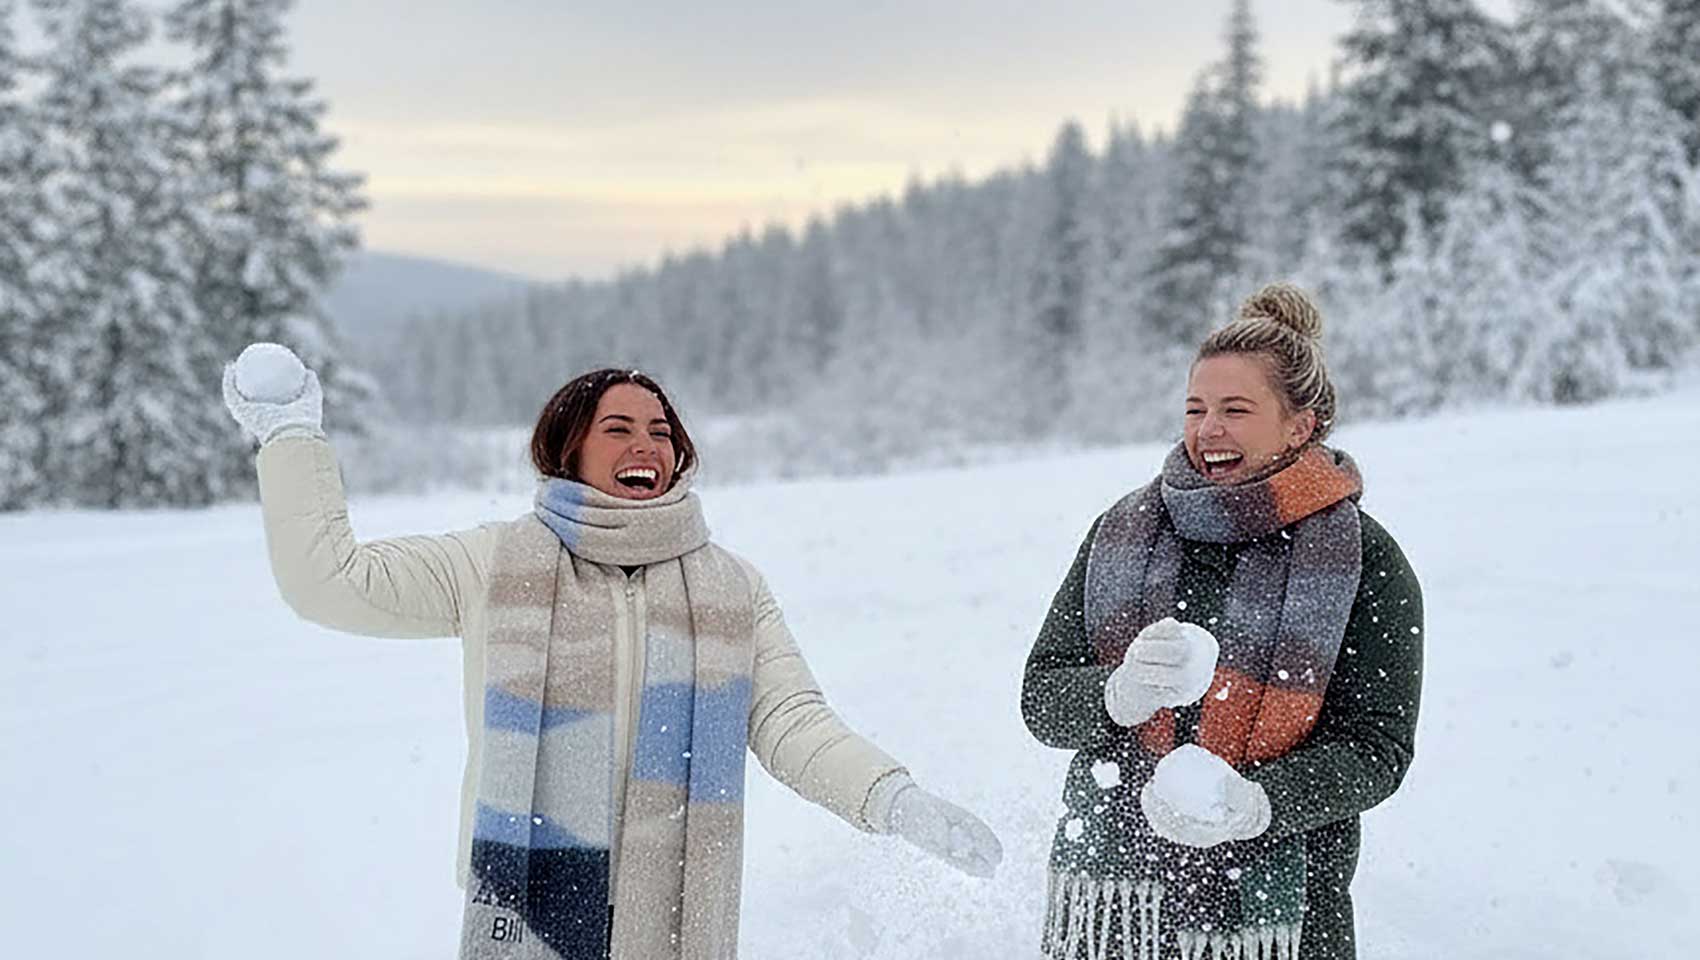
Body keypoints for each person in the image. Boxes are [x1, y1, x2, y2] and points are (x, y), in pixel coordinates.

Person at [222, 353, 1001, 960]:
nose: (645, 445)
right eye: (618, 428)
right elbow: (333, 584)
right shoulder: (496, 565)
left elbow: (791, 720)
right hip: (532, 908)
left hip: (674, 911)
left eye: (661, 432)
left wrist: (892, 797)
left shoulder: (729, 588)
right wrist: (291, 437)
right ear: (569, 448)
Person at [1021, 283, 1424, 960]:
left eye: (1236, 410)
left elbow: (1378, 750)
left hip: (1285, 917)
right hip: (1117, 914)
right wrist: (1117, 694)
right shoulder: (1121, 534)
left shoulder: (1365, 561)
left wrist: (1257, 804)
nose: (1208, 430)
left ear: (1302, 424)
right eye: (1195, 408)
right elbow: (1041, 699)